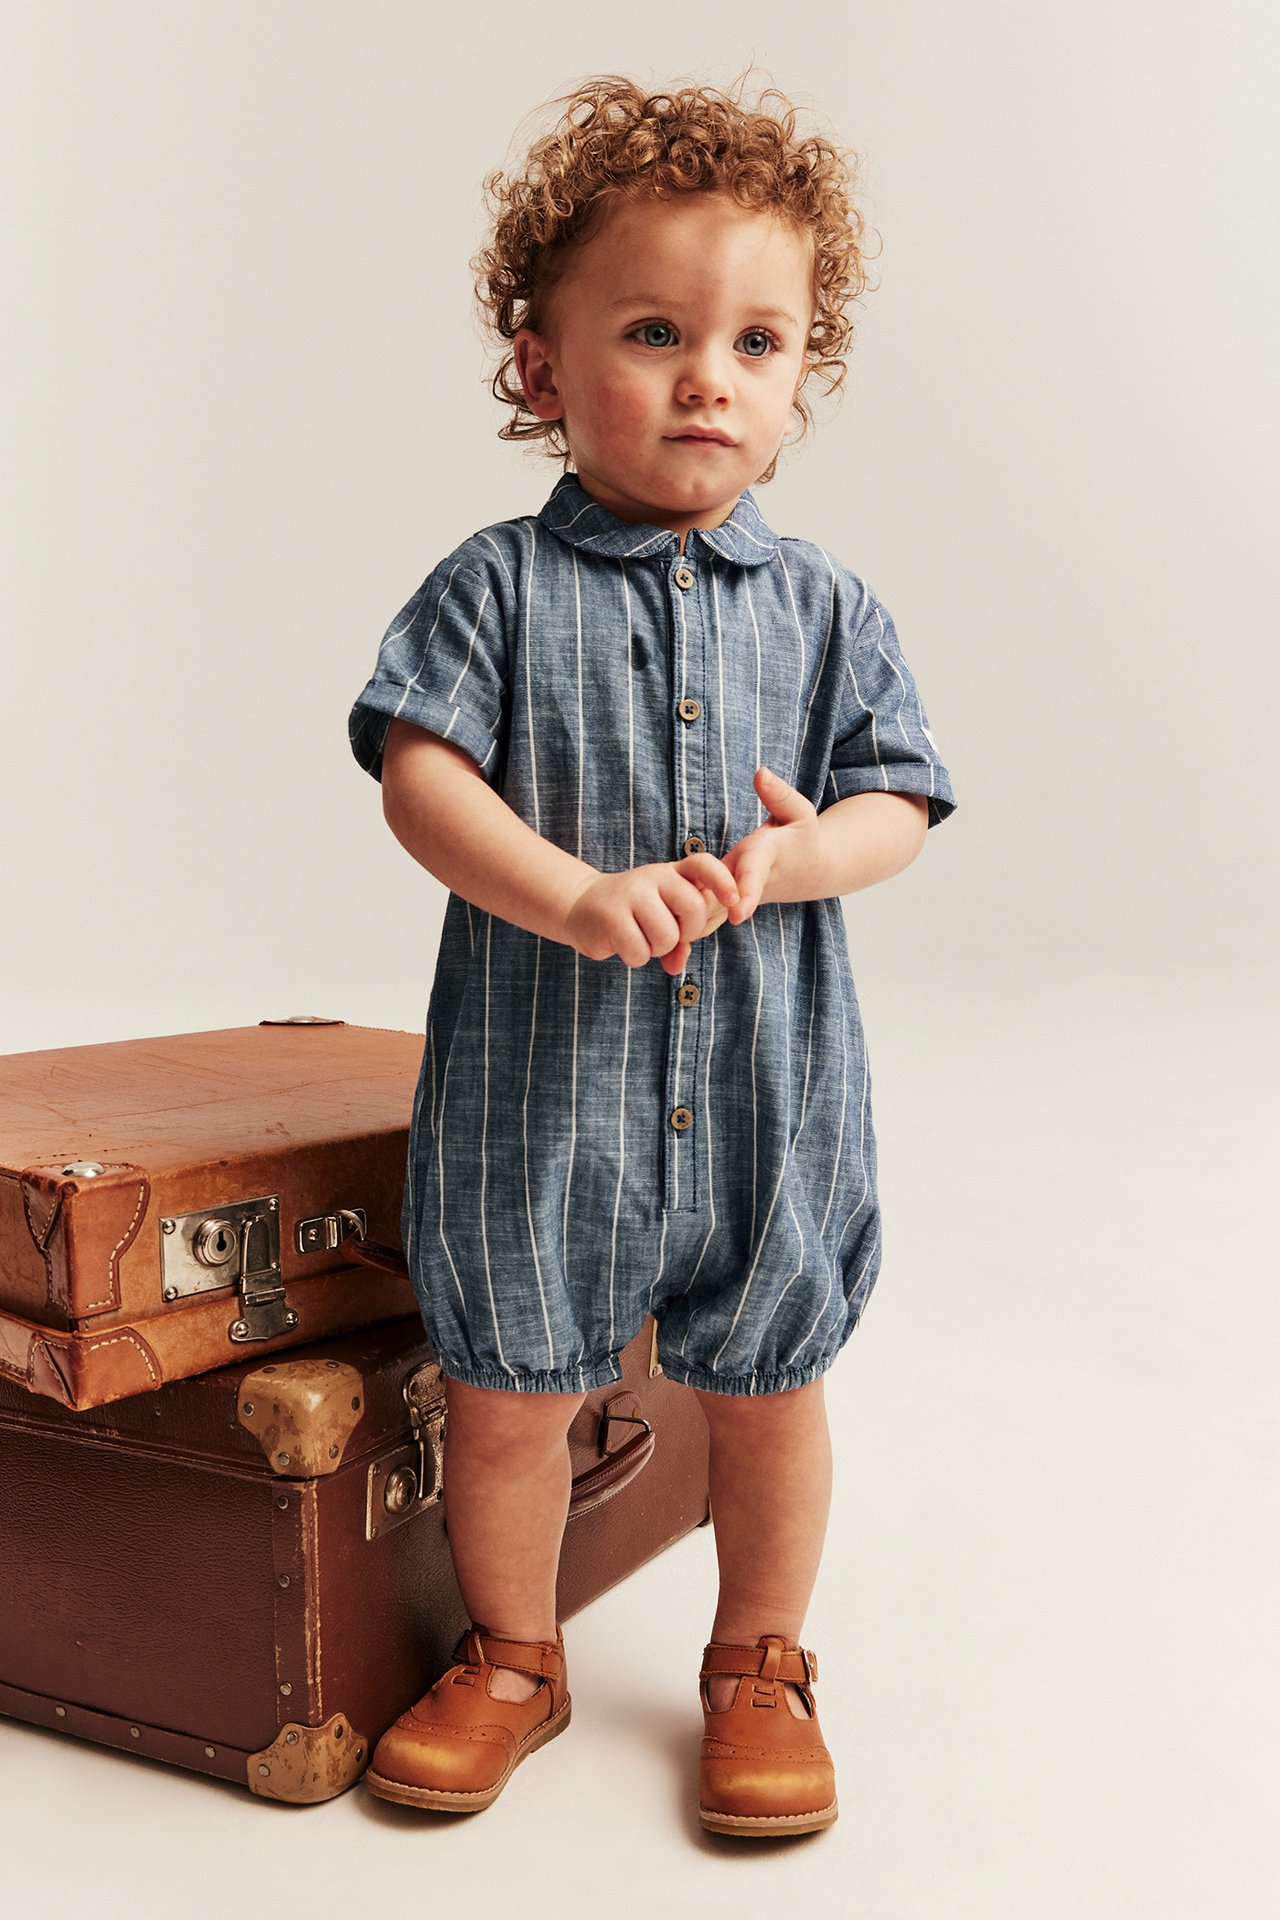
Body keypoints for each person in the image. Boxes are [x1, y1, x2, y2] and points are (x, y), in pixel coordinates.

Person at [348, 71, 957, 1837]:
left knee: (769, 1395)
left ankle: (759, 1658)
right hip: (543, 1094)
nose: (711, 375)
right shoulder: (494, 590)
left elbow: (899, 805)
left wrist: (793, 860)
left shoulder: (830, 608)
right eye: (654, 329)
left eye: (759, 341)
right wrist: (566, 892)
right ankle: (515, 1654)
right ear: (542, 368)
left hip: (767, 1095)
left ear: (796, 384)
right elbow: (419, 771)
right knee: (510, 1397)